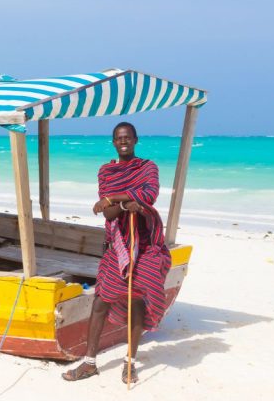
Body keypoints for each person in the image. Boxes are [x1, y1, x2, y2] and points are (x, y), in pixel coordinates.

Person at [62, 122, 171, 384]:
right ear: (113, 142)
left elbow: (150, 195)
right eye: (119, 138)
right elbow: (109, 213)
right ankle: (89, 363)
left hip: (143, 247)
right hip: (118, 246)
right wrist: (124, 202)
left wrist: (113, 199)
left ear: (135, 140)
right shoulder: (106, 171)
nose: (124, 142)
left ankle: (130, 363)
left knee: (137, 302)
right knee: (100, 303)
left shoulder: (148, 167)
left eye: (128, 137)